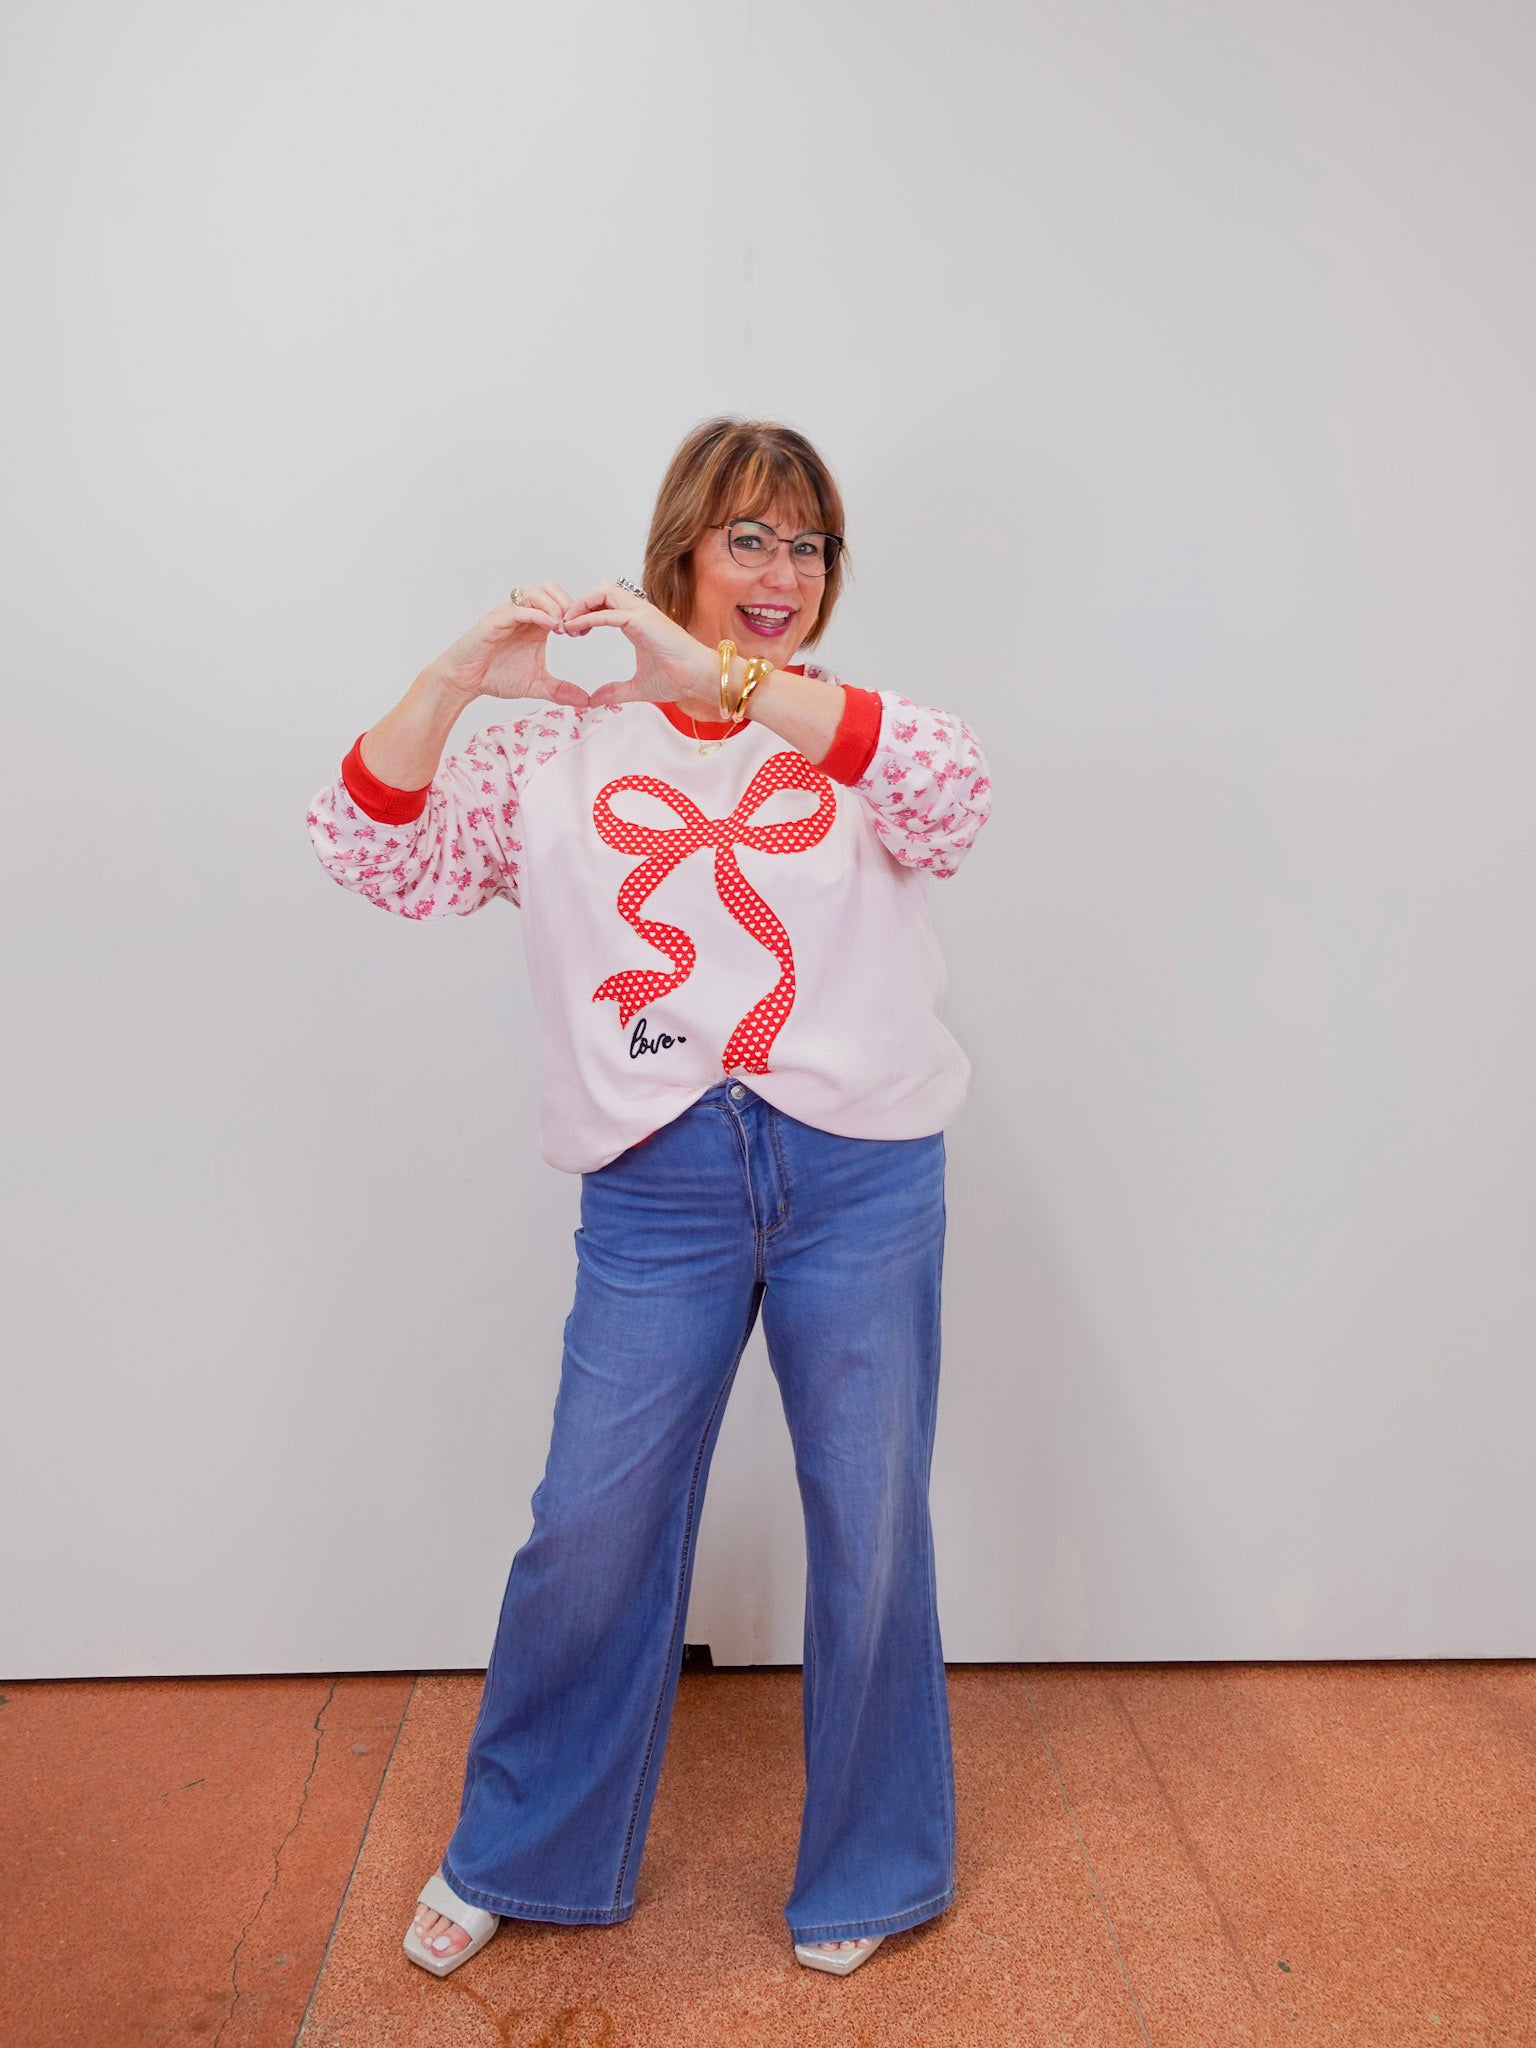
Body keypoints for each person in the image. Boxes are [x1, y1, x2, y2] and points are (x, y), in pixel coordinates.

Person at [305, 417, 993, 1980]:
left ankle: (876, 1867)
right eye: (749, 538)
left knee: (870, 1524)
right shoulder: (551, 751)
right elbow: (371, 848)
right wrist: (465, 670)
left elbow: (957, 797)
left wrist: (723, 685)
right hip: (659, 1187)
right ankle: (524, 1849)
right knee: (591, 1524)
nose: (782, 573)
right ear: (681, 542)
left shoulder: (839, 731)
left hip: (860, 1174)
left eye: (808, 545)